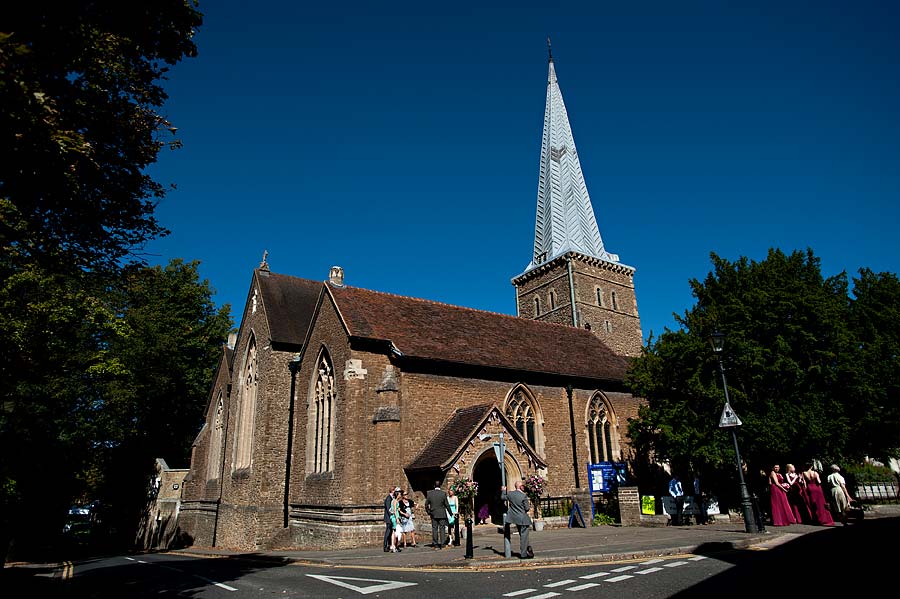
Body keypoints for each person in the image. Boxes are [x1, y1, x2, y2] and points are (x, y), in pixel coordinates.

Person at [502, 480, 533, 559]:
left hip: (515, 519)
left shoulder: (510, 494)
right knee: (524, 537)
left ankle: (528, 549)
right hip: (523, 519)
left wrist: (503, 490)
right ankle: (523, 554)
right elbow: (527, 508)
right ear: (520, 487)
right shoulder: (523, 496)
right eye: (522, 485)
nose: (523, 487)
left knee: (524, 536)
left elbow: (503, 497)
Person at [425, 480, 451, 549]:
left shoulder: (429, 493)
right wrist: (451, 513)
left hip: (433, 514)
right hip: (442, 513)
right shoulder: (443, 494)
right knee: (442, 529)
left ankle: (435, 544)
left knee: (434, 529)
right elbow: (447, 505)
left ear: (434, 486)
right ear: (440, 486)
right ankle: (442, 544)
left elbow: (426, 504)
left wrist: (429, 512)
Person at [383, 486, 397, 552]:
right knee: (388, 532)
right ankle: (385, 546)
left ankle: (390, 545)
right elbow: (389, 509)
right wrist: (392, 517)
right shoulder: (388, 499)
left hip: (390, 518)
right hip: (389, 518)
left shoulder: (392, 498)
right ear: (392, 491)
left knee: (391, 532)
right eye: (395, 491)